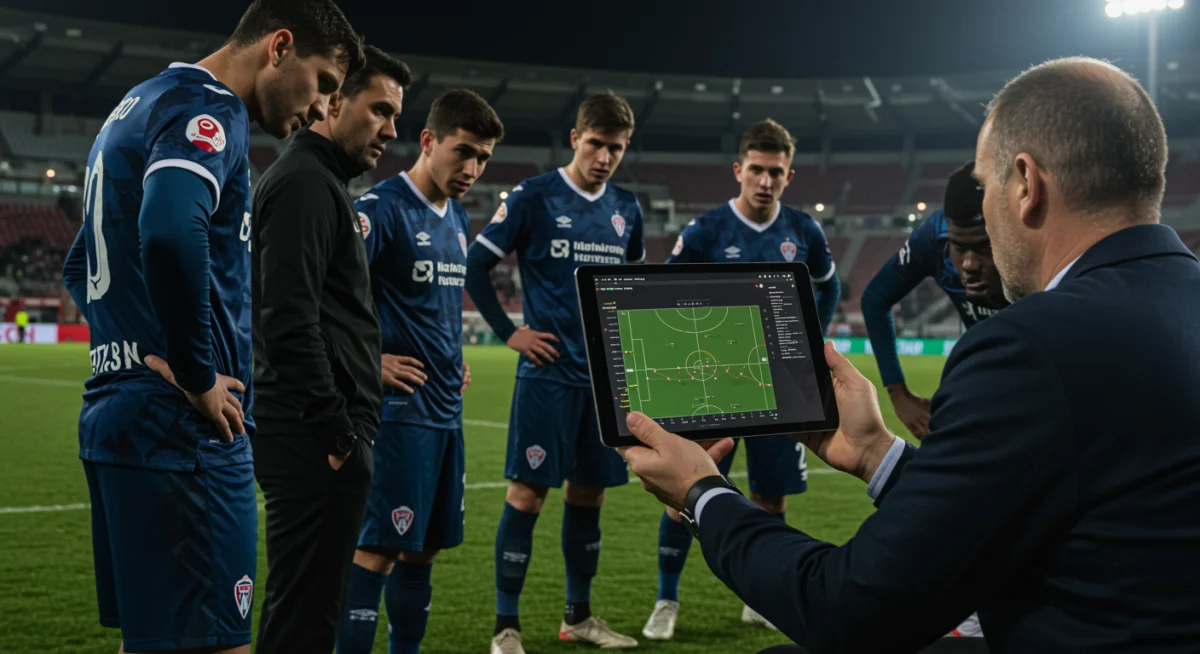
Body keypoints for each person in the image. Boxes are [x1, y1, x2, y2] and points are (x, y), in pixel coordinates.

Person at [617, 56, 1200, 654]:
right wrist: (876, 452)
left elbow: (850, 610)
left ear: (1025, 185)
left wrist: (703, 493)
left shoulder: (1028, 347)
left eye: (984, 181)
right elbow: (1018, 505)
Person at [59, 1, 362, 651]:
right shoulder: (209, 109)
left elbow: (78, 261)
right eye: (323, 85)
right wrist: (194, 373)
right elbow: (169, 234)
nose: (320, 110)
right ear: (279, 47)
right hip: (185, 431)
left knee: (156, 637)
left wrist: (132, 346)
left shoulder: (138, 103)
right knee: (221, 642)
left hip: (116, 413)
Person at [644, 118, 840, 640]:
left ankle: (761, 598)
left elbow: (829, 286)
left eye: (775, 172)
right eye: (756, 169)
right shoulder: (707, 230)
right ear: (739, 170)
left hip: (780, 386)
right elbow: (663, 294)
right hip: (714, 384)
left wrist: (808, 341)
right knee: (687, 488)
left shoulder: (803, 230)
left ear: (789, 176)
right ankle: (667, 598)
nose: (765, 181)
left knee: (771, 497)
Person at [465, 90, 646, 654]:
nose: (604, 157)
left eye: (615, 148)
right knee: (527, 496)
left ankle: (578, 617)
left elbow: (632, 291)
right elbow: (476, 266)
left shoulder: (627, 208)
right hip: (547, 376)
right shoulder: (534, 197)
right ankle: (505, 628)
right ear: (575, 138)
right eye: (595, 144)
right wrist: (510, 331)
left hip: (603, 383)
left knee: (590, 496)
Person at [250, 45, 410, 654]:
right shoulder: (305, 183)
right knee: (305, 614)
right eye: (380, 111)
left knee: (311, 606)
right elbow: (288, 322)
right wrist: (338, 435)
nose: (390, 131)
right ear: (334, 100)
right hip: (314, 438)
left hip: (319, 434)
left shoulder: (320, 181)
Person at [335, 88, 503, 654]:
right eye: (463, 153)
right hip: (397, 416)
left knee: (423, 549)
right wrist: (369, 362)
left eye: (483, 158)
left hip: (444, 413)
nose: (473, 169)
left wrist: (452, 361)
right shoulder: (377, 210)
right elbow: (322, 298)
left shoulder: (456, 216)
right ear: (429, 141)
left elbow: (434, 307)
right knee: (377, 547)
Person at [861, 162, 1008, 441]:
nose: (969, 264)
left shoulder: (1040, 245)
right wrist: (897, 393)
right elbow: (874, 299)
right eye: (959, 247)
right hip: (985, 368)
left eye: (983, 247)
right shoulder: (932, 238)